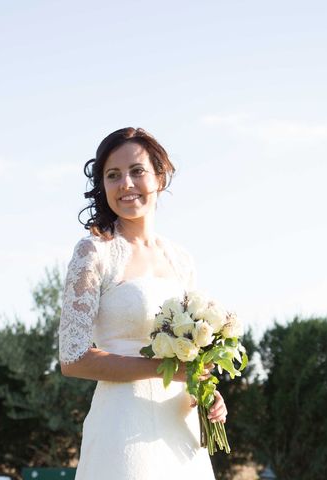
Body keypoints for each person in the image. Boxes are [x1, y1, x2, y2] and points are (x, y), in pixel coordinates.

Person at [59, 127, 227, 480]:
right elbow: (72, 359)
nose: (126, 184)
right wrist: (162, 369)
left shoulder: (181, 260)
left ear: (160, 178)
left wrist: (205, 392)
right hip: (121, 427)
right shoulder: (94, 253)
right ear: (103, 187)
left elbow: (192, 360)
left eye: (137, 171)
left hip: (179, 429)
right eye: (113, 175)